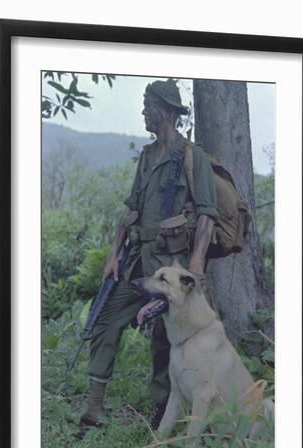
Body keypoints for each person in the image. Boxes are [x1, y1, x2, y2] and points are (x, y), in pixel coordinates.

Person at [80, 79, 219, 429]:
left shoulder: (192, 157)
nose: (143, 112)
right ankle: (94, 409)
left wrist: (196, 266)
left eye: (148, 106)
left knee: (164, 340)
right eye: (143, 105)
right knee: (105, 319)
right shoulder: (146, 157)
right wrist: (114, 255)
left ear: (167, 111)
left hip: (174, 268)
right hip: (137, 263)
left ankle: (161, 413)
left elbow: (207, 214)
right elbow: (130, 209)